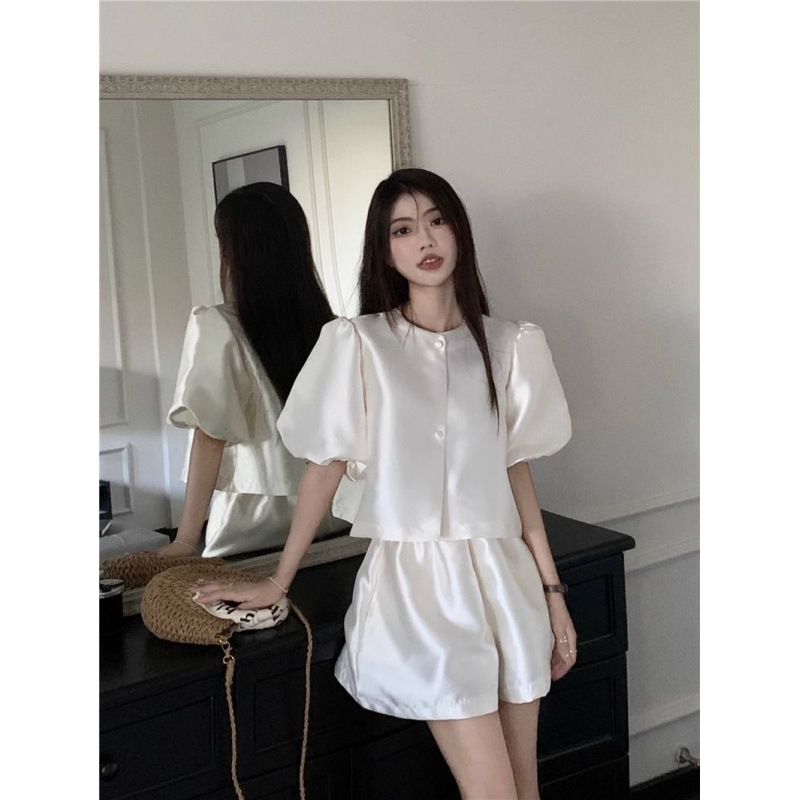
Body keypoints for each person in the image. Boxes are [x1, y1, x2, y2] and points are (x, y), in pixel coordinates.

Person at [193, 169, 577, 800]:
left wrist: (553, 594)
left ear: (458, 231)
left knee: (525, 790)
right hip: (420, 590)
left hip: (506, 583)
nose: (424, 239)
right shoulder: (360, 343)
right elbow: (325, 466)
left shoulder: (510, 345)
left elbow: (516, 473)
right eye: (403, 229)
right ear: (385, 248)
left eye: (436, 220)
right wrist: (278, 580)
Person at [161, 181, 347, 559]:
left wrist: (184, 540)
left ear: (232, 250)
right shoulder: (332, 329)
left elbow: (210, 435)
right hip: (335, 519)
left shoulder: (219, 326)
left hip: (251, 532)